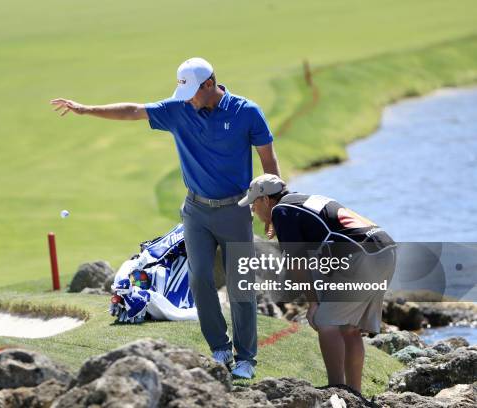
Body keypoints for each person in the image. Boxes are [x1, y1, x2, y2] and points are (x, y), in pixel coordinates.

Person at [51, 57, 280, 378]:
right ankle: (219, 347)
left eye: (192, 92)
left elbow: (268, 160)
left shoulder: (246, 112)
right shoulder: (179, 109)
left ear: (210, 84)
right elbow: (133, 110)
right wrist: (87, 109)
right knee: (199, 279)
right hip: (196, 211)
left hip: (235, 210)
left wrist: (273, 207)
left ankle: (246, 359)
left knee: (240, 285)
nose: (186, 99)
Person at [239, 174, 396, 392]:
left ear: (266, 200)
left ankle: (337, 390)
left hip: (361, 256)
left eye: (254, 204)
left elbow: (297, 262)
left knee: (325, 322)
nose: (253, 211)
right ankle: (353, 395)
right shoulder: (299, 200)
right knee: (350, 328)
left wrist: (313, 303)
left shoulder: (281, 211)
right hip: (386, 249)